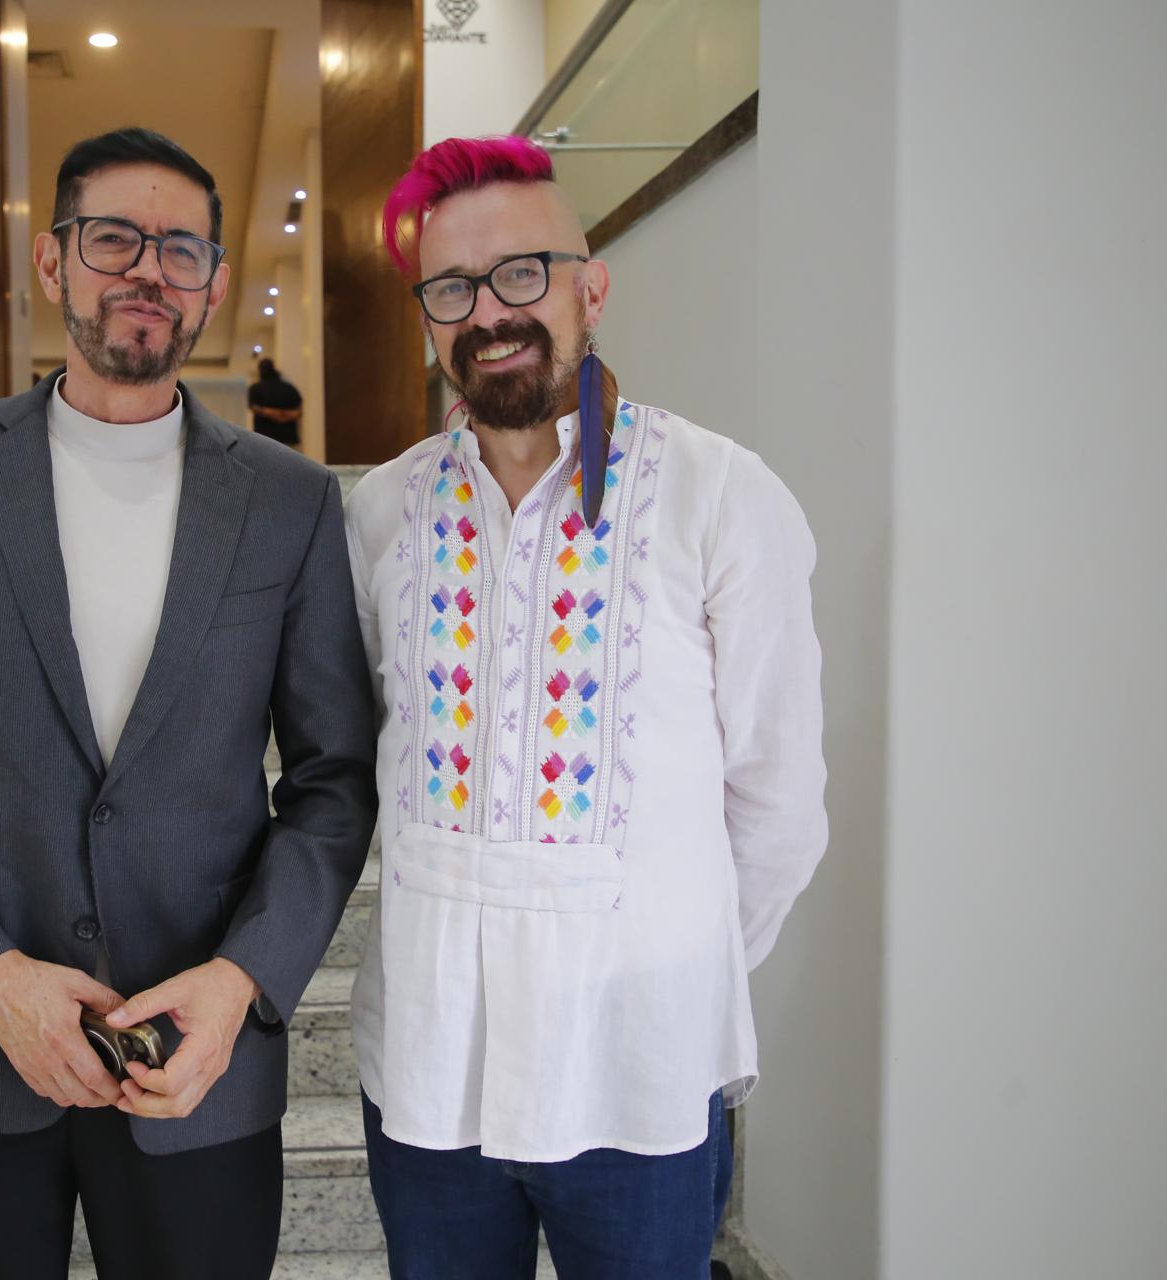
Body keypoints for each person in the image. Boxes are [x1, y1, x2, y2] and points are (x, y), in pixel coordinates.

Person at [0, 126, 379, 1280]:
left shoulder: (291, 501)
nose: (148, 272)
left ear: (214, 282)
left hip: (195, 1065)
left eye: (181, 249)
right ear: (53, 261)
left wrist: (240, 985)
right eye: (115, 237)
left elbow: (331, 778)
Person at [343, 135, 828, 1278]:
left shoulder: (720, 497)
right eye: (452, 286)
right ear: (427, 315)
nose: (490, 311)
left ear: (589, 288)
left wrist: (659, 961)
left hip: (637, 1083)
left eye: (523, 272)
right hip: (430, 1072)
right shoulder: (380, 516)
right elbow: (374, 748)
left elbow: (779, 803)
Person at [247, 357, 304, 447]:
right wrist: (283, 415)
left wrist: (274, 414)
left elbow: (254, 408)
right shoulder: (289, 388)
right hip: (287, 437)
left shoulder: (255, 388)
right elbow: (298, 411)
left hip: (264, 437)